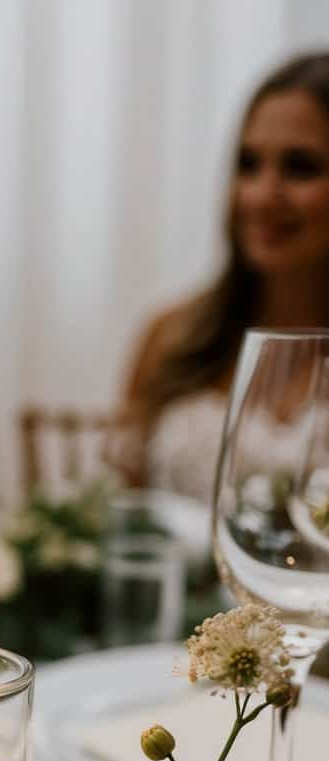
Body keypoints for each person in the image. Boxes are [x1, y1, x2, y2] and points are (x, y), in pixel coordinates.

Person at [120, 50, 329, 502]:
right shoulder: (171, 335)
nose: (262, 195)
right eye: (248, 165)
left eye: (300, 167)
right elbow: (127, 521)